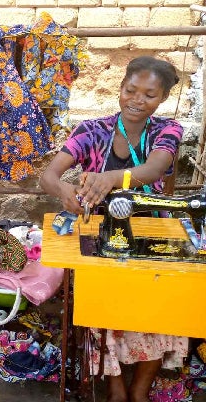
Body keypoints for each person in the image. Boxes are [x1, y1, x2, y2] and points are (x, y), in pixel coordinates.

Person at [40, 56, 188, 402]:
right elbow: (48, 176)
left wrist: (110, 178)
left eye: (149, 95)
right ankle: (115, 386)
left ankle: (139, 390)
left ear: (163, 98)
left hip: (152, 231)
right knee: (102, 309)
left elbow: (154, 169)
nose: (137, 100)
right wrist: (65, 192)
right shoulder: (92, 131)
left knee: (159, 314)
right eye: (131, 90)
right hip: (101, 235)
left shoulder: (167, 130)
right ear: (120, 88)